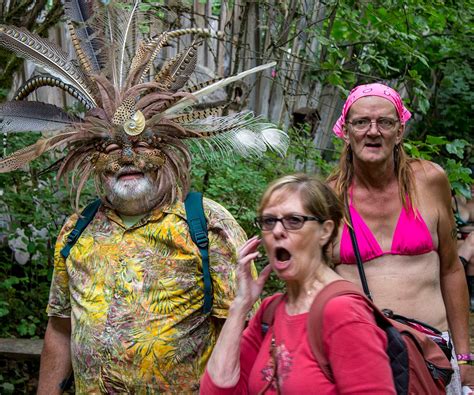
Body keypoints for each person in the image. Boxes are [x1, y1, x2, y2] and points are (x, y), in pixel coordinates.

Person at [0, 3, 288, 393]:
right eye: (110, 147)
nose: (127, 159)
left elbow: (244, 329)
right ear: (90, 157)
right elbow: (60, 328)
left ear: (167, 149)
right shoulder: (77, 230)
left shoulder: (206, 224)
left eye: (143, 144)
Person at [327, 83, 473, 393]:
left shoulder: (430, 180)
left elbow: (451, 268)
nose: (373, 131)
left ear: (400, 130)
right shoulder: (329, 198)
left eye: (385, 122)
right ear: (346, 131)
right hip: (361, 359)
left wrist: (465, 359)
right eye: (361, 122)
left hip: (433, 358)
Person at [201, 174, 396, 394]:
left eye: (294, 220)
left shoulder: (344, 313)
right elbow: (216, 391)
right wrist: (240, 306)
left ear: (325, 231)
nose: (277, 231)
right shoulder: (270, 311)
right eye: (269, 221)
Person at [454, 183, 474, 310]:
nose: (473, 187)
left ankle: (470, 296)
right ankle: (471, 296)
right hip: (458, 240)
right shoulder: (455, 199)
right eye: (471, 183)